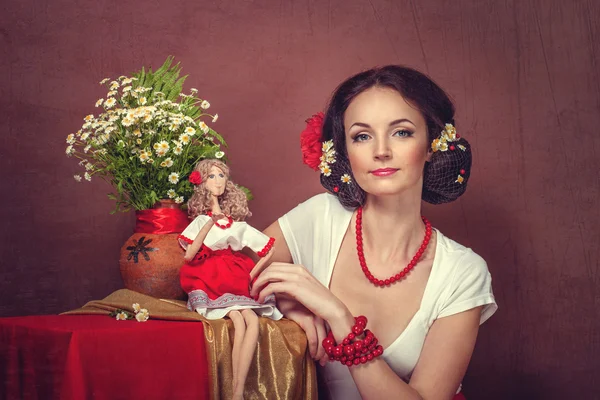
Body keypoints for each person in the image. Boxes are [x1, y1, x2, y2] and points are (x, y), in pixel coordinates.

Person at [251, 65, 497, 399]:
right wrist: (286, 301)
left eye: (402, 132)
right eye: (362, 136)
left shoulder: (462, 272)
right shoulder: (319, 217)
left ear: (431, 146)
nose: (380, 150)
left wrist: (339, 317)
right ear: (345, 151)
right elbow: (233, 270)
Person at [178, 159, 279, 400]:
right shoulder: (201, 221)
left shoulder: (237, 225)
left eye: (221, 175)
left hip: (236, 276)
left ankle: (238, 390)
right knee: (236, 317)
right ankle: (236, 392)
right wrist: (209, 223)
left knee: (250, 320)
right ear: (202, 183)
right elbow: (189, 255)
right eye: (212, 176)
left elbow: (267, 249)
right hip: (211, 277)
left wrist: (255, 272)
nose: (218, 181)